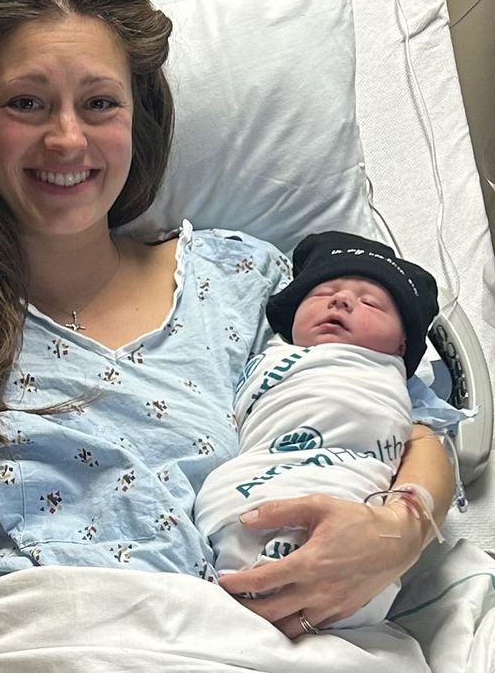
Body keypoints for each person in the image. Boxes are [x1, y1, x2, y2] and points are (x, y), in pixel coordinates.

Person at [0, 0, 455, 670]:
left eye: (99, 103)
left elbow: (406, 415)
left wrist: (400, 529)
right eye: (25, 103)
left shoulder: (247, 286)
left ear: (139, 118)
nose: (66, 138)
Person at [194, 230, 457, 631]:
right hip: (250, 486)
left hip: (351, 498)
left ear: (402, 345)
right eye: (321, 294)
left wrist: (402, 521)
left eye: (370, 302)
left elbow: (427, 445)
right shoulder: (266, 353)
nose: (341, 299)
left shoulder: (395, 381)